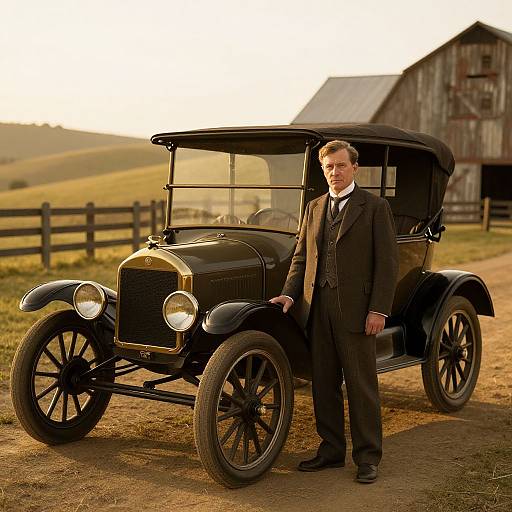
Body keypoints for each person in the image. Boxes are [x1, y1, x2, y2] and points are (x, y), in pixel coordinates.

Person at [270, 140, 398, 483]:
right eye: (329, 167)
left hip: (358, 311)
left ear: (354, 168)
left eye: (341, 166)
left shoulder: (374, 207)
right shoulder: (313, 207)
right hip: (316, 308)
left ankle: (368, 458)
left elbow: (387, 265)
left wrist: (378, 311)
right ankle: (330, 452)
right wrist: (288, 295)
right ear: (322, 169)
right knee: (323, 384)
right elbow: (301, 257)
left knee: (361, 386)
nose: (335, 172)